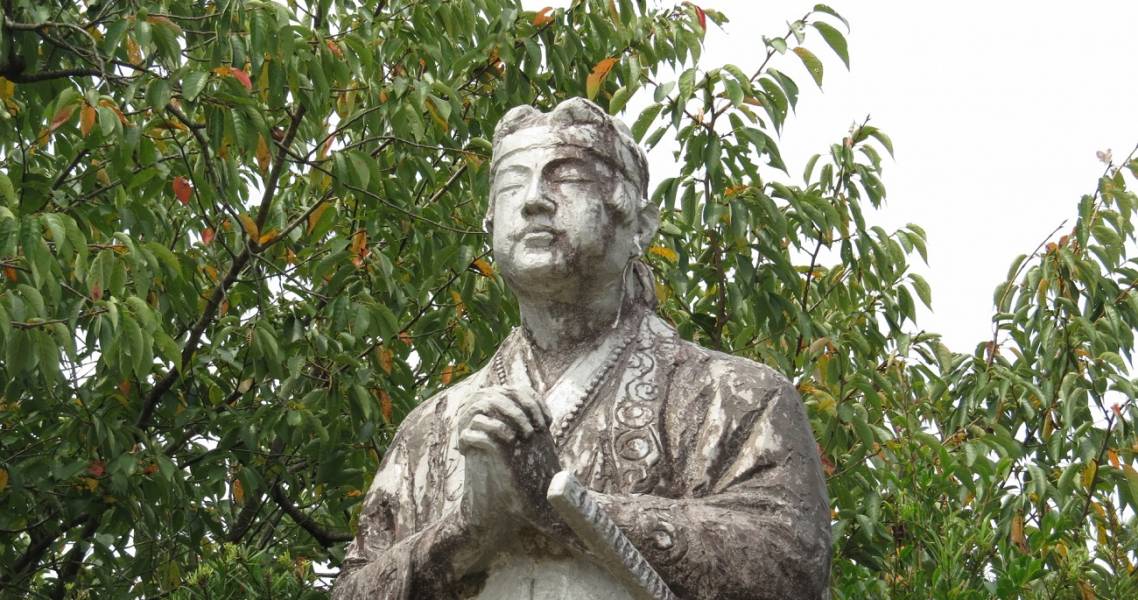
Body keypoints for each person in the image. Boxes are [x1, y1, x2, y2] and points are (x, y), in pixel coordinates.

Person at [332, 98, 831, 600]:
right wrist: (467, 530)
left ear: (639, 223)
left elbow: (792, 565)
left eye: (564, 177)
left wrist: (561, 502)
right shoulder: (430, 429)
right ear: (488, 222)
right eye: (512, 183)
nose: (533, 200)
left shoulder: (738, 398)